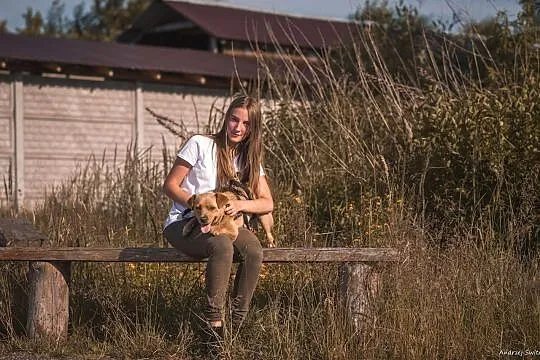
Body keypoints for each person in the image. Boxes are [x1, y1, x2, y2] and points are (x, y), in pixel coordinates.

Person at [162, 95, 274, 338]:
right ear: (227, 118)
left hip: (225, 223)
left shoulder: (248, 159)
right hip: (184, 221)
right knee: (222, 245)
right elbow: (170, 185)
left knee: (254, 250)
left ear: (253, 128)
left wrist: (240, 204)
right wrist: (197, 208)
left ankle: (237, 326)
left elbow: (267, 202)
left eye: (246, 124)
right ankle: (213, 326)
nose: (238, 127)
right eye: (234, 119)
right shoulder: (200, 144)